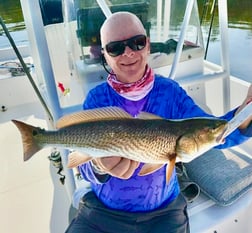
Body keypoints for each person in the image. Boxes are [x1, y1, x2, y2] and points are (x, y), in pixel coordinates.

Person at [65, 11, 252, 233]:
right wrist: (99, 166)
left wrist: (245, 112)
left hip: (165, 212)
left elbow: (212, 133)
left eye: (137, 42)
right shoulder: (97, 99)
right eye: (116, 47)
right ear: (104, 55)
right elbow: (82, 163)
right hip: (104, 212)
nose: (128, 52)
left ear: (148, 46)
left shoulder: (170, 92)